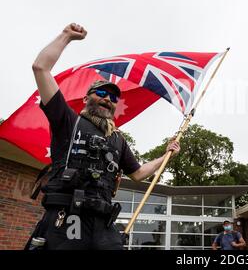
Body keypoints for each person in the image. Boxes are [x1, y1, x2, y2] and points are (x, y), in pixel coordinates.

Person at [26, 23, 180, 250]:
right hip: (66, 217)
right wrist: (66, 36)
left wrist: (166, 155)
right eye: (101, 93)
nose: (108, 99)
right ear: (87, 97)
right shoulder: (68, 120)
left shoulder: (117, 138)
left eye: (113, 97)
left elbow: (138, 174)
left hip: (103, 225)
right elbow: (40, 68)